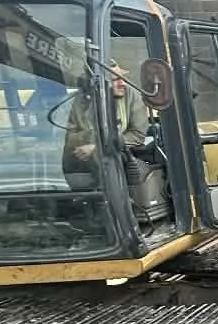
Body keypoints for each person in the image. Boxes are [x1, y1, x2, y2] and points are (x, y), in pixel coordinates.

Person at [61, 64, 170, 223]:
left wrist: (97, 144)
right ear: (98, 85)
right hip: (80, 157)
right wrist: (92, 138)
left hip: (123, 152)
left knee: (104, 154)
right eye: (115, 79)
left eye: (123, 78)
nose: (123, 83)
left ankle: (116, 212)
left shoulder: (132, 96)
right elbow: (69, 137)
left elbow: (137, 135)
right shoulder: (81, 101)